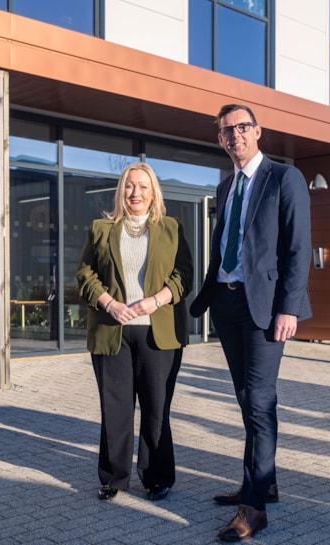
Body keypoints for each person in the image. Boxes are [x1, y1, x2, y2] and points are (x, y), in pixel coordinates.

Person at [190, 104, 312, 541]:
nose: (234, 135)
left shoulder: (284, 178)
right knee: (247, 399)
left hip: (264, 309)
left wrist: (289, 308)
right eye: (226, 131)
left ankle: (254, 507)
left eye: (242, 127)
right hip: (226, 304)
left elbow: (298, 248)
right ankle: (263, 482)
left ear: (258, 131)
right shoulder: (225, 187)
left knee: (259, 401)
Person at [76, 162, 193, 503]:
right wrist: (110, 303)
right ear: (121, 191)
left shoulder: (171, 228)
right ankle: (115, 477)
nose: (135, 193)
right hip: (112, 331)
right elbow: (84, 273)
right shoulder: (100, 228)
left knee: (156, 409)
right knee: (116, 408)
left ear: (153, 192)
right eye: (129, 186)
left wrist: (156, 300)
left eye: (143, 187)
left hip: (159, 334)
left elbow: (184, 275)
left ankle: (156, 478)